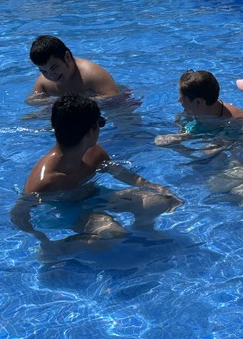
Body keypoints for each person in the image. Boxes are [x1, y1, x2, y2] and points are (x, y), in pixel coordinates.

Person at [11, 94, 182, 252]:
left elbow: (120, 173)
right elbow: (17, 215)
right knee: (112, 234)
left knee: (158, 202)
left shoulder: (94, 153)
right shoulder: (47, 181)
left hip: (95, 196)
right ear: (92, 130)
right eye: (101, 122)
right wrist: (43, 241)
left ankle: (143, 230)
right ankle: (59, 249)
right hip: (66, 211)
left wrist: (156, 188)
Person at [155, 70, 243, 146]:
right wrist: (181, 135)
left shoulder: (237, 121)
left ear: (198, 102)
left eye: (182, 97)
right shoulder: (193, 111)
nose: (179, 100)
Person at [28, 35, 119, 101]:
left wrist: (70, 102)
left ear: (67, 57)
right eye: (43, 71)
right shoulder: (43, 83)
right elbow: (32, 101)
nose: (51, 75)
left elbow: (113, 98)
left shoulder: (93, 75)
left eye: (54, 67)